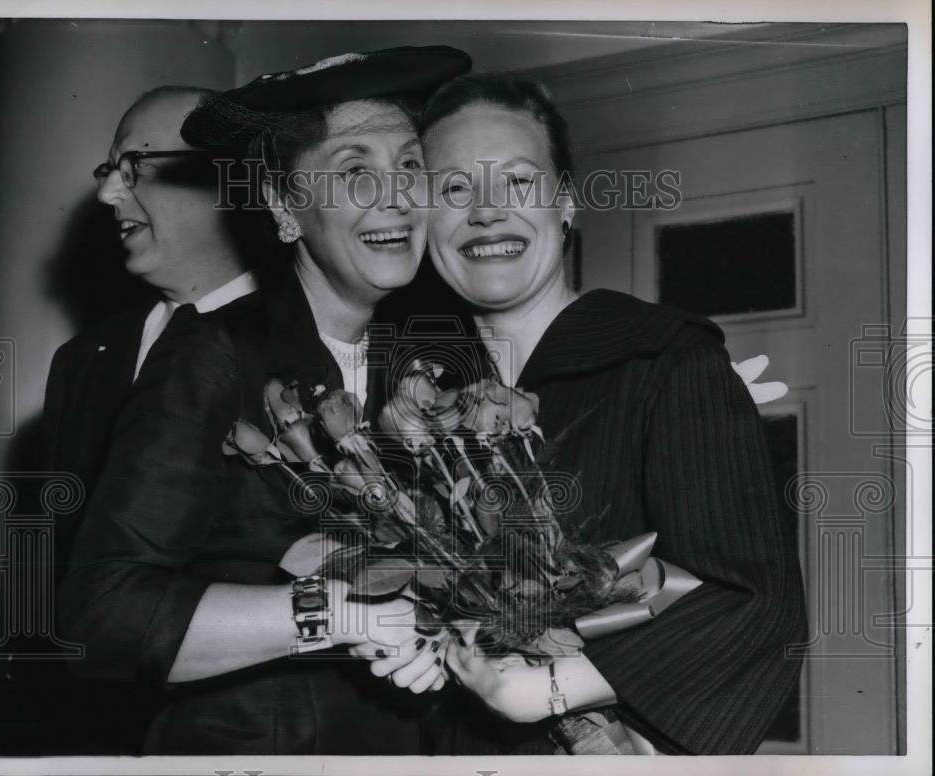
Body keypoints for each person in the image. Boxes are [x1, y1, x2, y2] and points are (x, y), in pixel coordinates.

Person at [57, 46, 471, 755]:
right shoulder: (214, 353)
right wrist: (331, 613)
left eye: (409, 166)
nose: (398, 197)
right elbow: (100, 618)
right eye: (355, 171)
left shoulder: (429, 367)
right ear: (283, 206)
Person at [417, 74, 807, 755]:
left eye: (517, 182)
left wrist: (552, 687)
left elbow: (754, 601)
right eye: (453, 189)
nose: (485, 212)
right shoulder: (414, 399)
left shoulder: (667, 360)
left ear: (566, 203)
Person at [37, 85, 259, 754]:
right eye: (110, 171)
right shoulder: (82, 360)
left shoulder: (302, 341)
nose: (108, 196)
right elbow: (56, 585)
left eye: (134, 167)